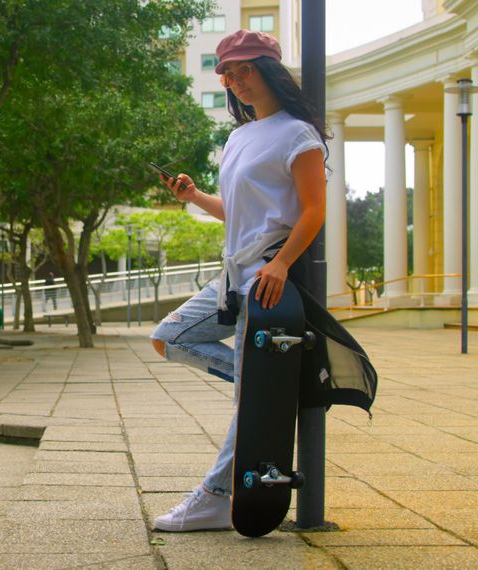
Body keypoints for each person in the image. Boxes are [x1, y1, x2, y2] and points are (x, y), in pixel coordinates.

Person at [149, 29, 328, 532]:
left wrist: (282, 263)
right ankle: (267, 386)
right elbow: (240, 212)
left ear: (268, 68)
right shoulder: (239, 136)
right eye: (227, 73)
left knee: (249, 392)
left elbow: (314, 211)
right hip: (233, 277)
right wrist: (195, 197)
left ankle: (214, 496)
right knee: (169, 338)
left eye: (244, 69)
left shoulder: (298, 133)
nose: (234, 80)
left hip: (267, 279)